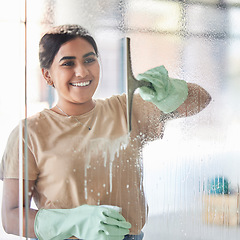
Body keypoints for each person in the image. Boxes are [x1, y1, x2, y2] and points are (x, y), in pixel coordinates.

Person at [0, 25, 211, 240]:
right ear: (47, 75)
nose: (82, 71)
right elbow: (10, 216)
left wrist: (170, 91)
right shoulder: (30, 133)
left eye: (89, 59)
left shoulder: (126, 109)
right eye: (68, 63)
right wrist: (73, 222)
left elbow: (202, 100)